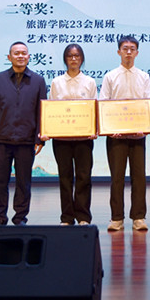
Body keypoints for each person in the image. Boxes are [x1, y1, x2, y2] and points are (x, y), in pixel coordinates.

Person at [0, 41, 47, 226]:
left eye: (23, 53)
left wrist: (40, 139)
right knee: (0, 181)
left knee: (23, 182)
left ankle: (20, 218)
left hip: (27, 140)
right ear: (9, 57)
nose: (20, 56)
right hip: (2, 139)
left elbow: (42, 112)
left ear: (29, 57)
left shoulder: (38, 81)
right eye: (16, 53)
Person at [99, 35, 150, 231]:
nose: (128, 52)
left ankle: (139, 217)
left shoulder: (144, 76)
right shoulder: (110, 76)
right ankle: (117, 218)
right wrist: (109, 129)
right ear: (118, 52)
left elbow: (147, 103)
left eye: (132, 49)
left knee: (139, 177)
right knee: (117, 177)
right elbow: (103, 104)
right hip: (116, 137)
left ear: (137, 53)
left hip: (138, 136)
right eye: (125, 48)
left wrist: (144, 127)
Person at [48, 44, 97, 226]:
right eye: (70, 56)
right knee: (65, 177)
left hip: (84, 138)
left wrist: (94, 129)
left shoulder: (90, 82)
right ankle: (67, 217)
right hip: (61, 139)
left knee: (84, 177)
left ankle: (83, 216)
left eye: (77, 56)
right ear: (65, 59)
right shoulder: (57, 82)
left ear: (81, 59)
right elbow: (51, 110)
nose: (73, 59)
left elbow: (94, 108)